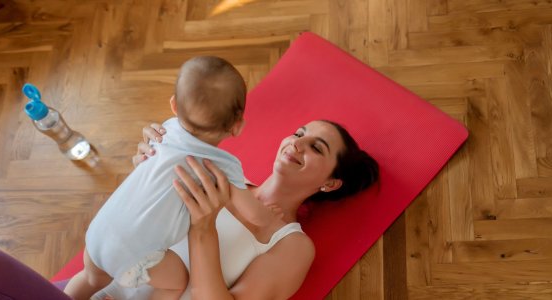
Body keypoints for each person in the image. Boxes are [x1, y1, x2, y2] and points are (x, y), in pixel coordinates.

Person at [93, 119, 380, 299]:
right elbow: (137, 219)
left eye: (316, 147)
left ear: (330, 183)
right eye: (298, 133)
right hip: (105, 284)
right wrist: (154, 158)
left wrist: (204, 228)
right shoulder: (221, 173)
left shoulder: (293, 245)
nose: (297, 142)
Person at [65, 56, 259, 300]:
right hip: (133, 254)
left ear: (174, 105)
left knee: (89, 278)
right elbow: (254, 215)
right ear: (237, 126)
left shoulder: (164, 129)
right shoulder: (223, 165)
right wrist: (266, 213)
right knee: (176, 283)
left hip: (100, 230)